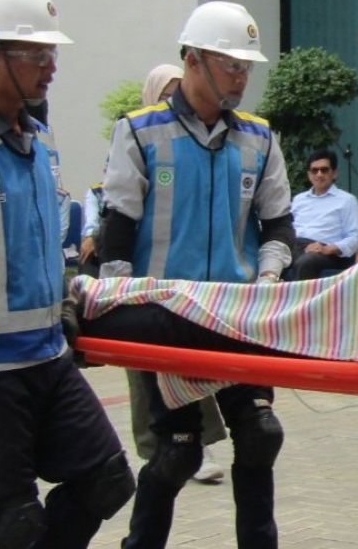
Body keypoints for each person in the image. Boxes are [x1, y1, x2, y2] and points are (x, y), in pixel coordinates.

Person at [99, 1, 295, 549]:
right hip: (164, 316)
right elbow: (117, 232)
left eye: (246, 67)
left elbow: (278, 223)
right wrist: (122, 310)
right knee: (178, 451)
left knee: (260, 436)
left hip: (238, 314)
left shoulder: (259, 138)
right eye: (231, 64)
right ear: (193, 59)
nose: (242, 77)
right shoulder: (140, 133)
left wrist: (270, 277)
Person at [0, 0, 135, 547]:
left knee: (106, 481)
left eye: (52, 53)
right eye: (37, 54)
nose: (51, 66)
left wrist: (66, 297)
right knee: (12, 521)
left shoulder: (42, 145)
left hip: (47, 355)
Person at [117, 64, 229, 485]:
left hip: (191, 283)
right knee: (145, 374)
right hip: (147, 282)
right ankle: (158, 449)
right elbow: (121, 213)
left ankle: (198, 445)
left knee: (193, 369)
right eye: (165, 94)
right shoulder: (137, 140)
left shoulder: (205, 145)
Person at [289, 148, 358, 280]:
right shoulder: (299, 199)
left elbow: (355, 237)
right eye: (314, 170)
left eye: (324, 170)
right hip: (296, 247)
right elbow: (288, 227)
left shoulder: (347, 200)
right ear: (309, 174)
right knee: (271, 260)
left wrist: (327, 249)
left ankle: (306, 300)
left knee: (306, 262)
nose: (319, 174)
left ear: (334, 173)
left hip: (327, 252)